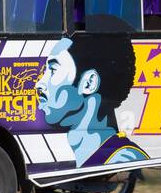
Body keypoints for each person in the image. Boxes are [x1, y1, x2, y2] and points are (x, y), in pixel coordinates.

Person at [35, 15, 149, 167]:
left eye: (53, 70)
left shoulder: (122, 159)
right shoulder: (88, 156)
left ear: (89, 83)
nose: (39, 84)